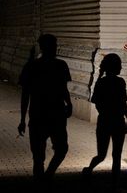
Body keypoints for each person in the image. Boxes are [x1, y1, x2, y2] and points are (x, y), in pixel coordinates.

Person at [17, 33, 73, 182]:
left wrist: (23, 119)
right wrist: (69, 103)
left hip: (39, 116)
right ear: (46, 47)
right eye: (53, 45)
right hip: (55, 114)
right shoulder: (60, 65)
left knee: (39, 157)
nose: (55, 48)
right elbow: (63, 89)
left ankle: (42, 181)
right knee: (60, 150)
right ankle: (46, 178)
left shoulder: (31, 66)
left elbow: (25, 95)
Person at [82, 53, 127, 185]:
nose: (121, 67)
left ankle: (89, 169)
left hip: (104, 121)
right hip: (118, 121)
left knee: (101, 155)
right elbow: (123, 102)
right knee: (117, 155)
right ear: (115, 67)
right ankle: (115, 182)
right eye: (119, 65)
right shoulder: (120, 82)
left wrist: (105, 111)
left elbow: (96, 102)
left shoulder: (101, 82)